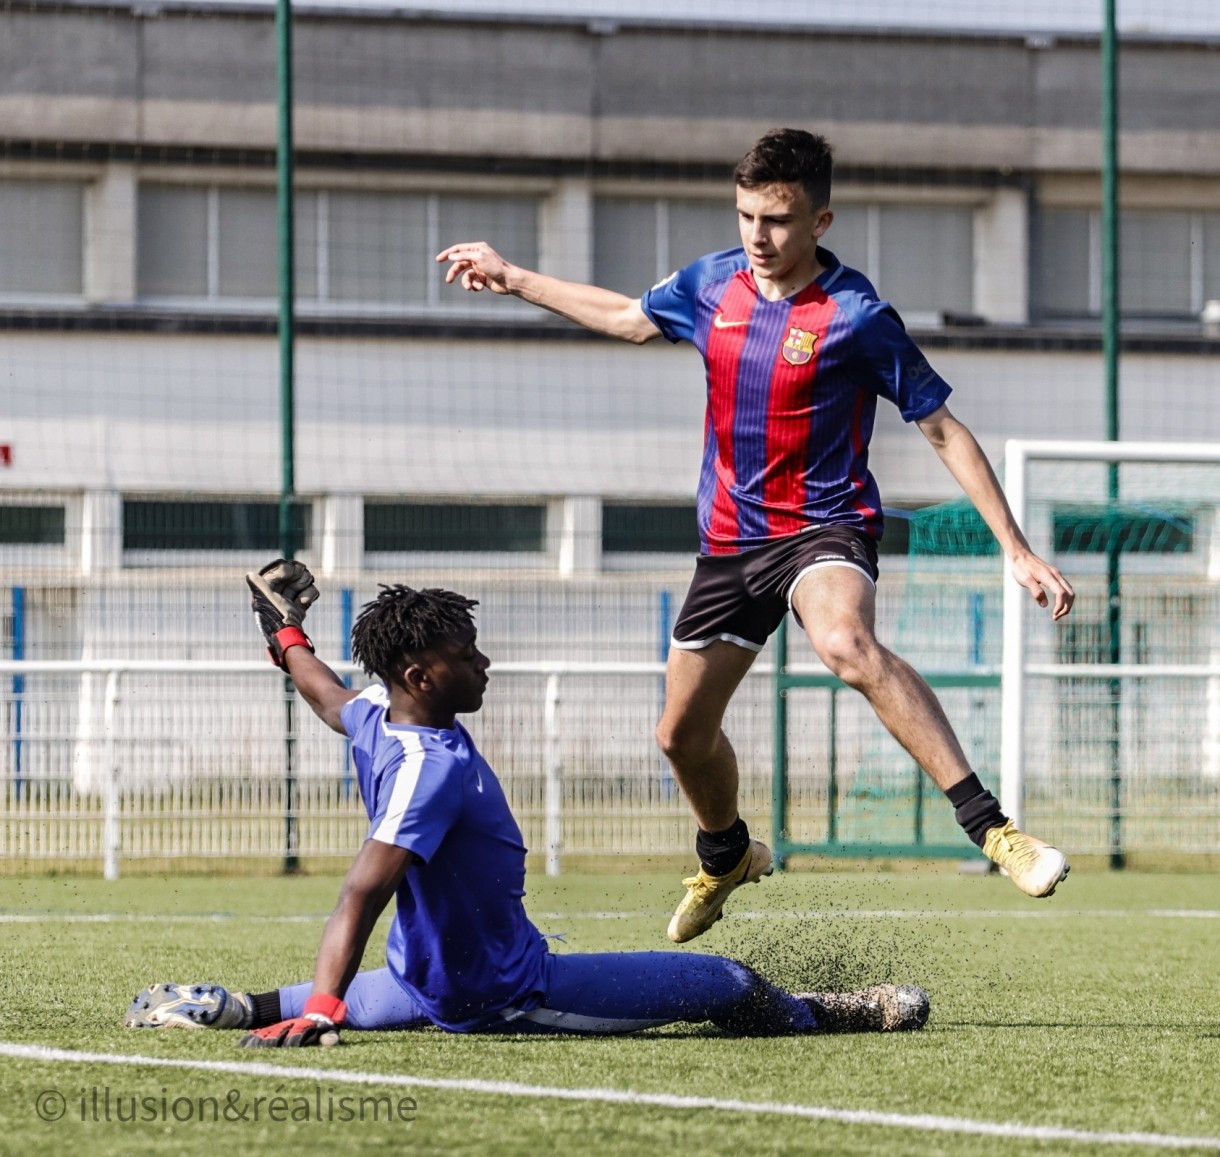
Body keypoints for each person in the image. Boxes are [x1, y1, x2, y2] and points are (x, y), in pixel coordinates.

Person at [435, 127, 1075, 943]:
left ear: (821, 221)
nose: (758, 237)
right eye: (746, 216)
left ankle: (994, 831)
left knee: (846, 644)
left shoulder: (857, 315)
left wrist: (1015, 547)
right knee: (679, 734)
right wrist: (516, 277)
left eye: (776, 220)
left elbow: (943, 429)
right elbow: (631, 318)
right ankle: (727, 853)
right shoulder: (712, 285)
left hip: (824, 528)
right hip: (731, 544)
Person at [125, 561, 929, 1044]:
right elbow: (365, 887)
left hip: (419, 979)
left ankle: (225, 1006)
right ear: (419, 678)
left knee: (336, 998)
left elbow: (327, 692)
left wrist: (284, 636)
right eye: (463, 655)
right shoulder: (427, 769)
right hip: (506, 993)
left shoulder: (380, 719)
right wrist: (328, 1007)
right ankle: (826, 1013)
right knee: (724, 979)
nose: (483, 661)